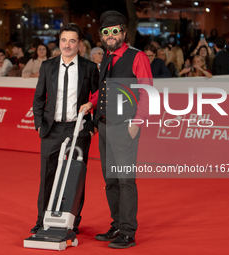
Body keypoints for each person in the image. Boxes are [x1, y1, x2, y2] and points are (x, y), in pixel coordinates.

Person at [30, 23, 99, 235]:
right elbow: (39, 97)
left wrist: (93, 125)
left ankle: (72, 220)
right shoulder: (47, 66)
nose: (67, 45)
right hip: (51, 129)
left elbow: (98, 97)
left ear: (79, 44)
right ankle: (42, 220)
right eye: (63, 40)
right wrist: (40, 125)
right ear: (59, 42)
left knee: (75, 176)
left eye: (72, 41)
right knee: (47, 175)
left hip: (78, 129)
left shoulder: (89, 67)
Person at [93, 10, 152, 249]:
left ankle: (128, 231)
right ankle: (117, 224)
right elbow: (104, 90)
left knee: (126, 180)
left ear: (124, 33)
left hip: (125, 127)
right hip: (105, 126)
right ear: (102, 35)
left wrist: (137, 123)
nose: (110, 35)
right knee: (111, 181)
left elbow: (148, 92)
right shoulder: (106, 57)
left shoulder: (137, 57)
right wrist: (92, 102)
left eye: (115, 31)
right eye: (106, 32)